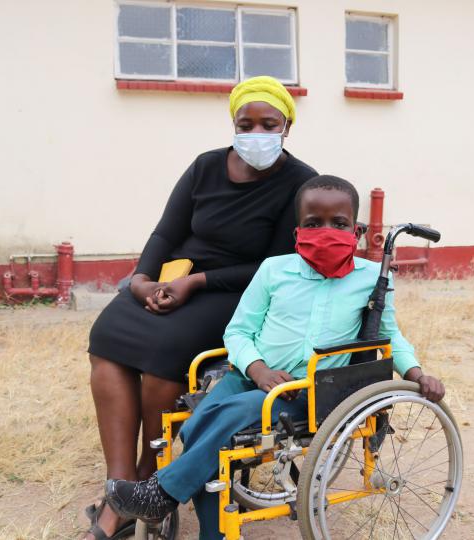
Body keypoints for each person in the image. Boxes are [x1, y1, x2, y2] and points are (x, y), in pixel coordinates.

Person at [103, 175, 446, 539]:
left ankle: (162, 493)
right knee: (194, 431)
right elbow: (237, 331)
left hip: (307, 393)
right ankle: (205, 526)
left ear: (357, 230)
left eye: (339, 224)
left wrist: (417, 372)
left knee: (222, 420)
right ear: (298, 231)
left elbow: (390, 335)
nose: (326, 231)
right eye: (313, 224)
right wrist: (259, 369)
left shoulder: (370, 279)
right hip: (249, 376)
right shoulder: (273, 271)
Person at [83, 76, 318, 540]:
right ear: (232, 122)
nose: (256, 132)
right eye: (245, 123)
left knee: (164, 353)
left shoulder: (300, 182)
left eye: (268, 123)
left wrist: (197, 283)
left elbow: (273, 267)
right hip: (179, 278)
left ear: (286, 125)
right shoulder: (205, 166)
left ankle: (151, 482)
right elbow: (166, 232)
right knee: (107, 337)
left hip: (234, 292)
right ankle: (121, 488)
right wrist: (143, 281)